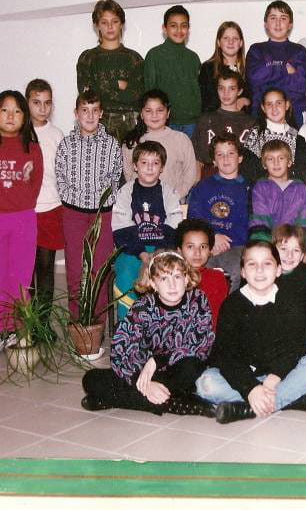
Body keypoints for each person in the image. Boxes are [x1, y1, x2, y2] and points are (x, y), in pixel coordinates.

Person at [196, 241, 306, 424]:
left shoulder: (291, 301)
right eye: (252, 264)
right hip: (245, 375)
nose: (259, 270)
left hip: (280, 375)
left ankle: (246, 409)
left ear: (278, 269)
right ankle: (288, 400)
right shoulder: (232, 305)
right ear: (243, 271)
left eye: (267, 263)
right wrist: (250, 388)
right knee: (205, 384)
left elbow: (294, 347)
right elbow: (227, 355)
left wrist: (274, 377)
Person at [81, 250, 216, 416]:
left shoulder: (198, 300)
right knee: (91, 378)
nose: (172, 285)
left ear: (186, 278)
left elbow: (201, 344)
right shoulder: (143, 306)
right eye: (164, 279)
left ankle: (111, 399)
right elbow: (120, 350)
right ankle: (175, 402)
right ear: (153, 283)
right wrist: (144, 383)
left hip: (179, 369)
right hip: (144, 371)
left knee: (193, 367)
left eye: (177, 277)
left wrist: (157, 360)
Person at [0, 90, 43, 358]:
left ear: (24, 117)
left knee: (19, 278)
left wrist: (18, 206)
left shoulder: (32, 148)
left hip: (22, 220)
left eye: (17, 111)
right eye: (4, 110)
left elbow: (34, 185)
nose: (10, 116)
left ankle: (18, 330)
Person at [55, 90, 122, 323]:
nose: (90, 116)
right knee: (75, 269)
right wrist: (76, 198)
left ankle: (97, 324)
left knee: (100, 269)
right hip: (73, 213)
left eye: (95, 111)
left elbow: (115, 178)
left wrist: (99, 200)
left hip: (103, 214)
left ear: (101, 113)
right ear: (76, 113)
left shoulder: (112, 145)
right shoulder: (66, 144)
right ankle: (78, 321)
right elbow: (60, 178)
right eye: (85, 110)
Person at [112, 141, 182, 319]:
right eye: (144, 162)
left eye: (155, 163)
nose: (150, 168)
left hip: (162, 249)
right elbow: (121, 229)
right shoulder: (125, 192)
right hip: (132, 249)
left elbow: (174, 227)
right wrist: (142, 254)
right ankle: (127, 324)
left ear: (162, 167)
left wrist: (158, 253)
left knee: (167, 275)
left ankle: (160, 324)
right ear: (135, 166)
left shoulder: (169, 193)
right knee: (126, 273)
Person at [187, 131, 251, 292]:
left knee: (237, 272)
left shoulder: (248, 188)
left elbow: (247, 223)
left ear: (240, 158)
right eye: (220, 155)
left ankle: (228, 307)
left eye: (231, 153)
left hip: (235, 246)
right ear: (214, 161)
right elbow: (194, 218)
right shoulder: (203, 186)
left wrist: (224, 243)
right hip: (205, 244)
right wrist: (212, 237)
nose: (225, 158)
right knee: (197, 274)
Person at [76, 0, 143, 142]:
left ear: (122, 24)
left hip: (130, 123)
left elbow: (138, 96)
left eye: (115, 21)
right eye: (104, 22)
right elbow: (87, 94)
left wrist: (102, 89)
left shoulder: (134, 58)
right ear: (97, 25)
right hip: (98, 122)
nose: (110, 27)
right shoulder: (88, 58)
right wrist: (117, 84)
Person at [25, 79, 65, 318]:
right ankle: (28, 323)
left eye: (47, 103)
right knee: (26, 269)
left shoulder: (56, 134)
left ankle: (43, 322)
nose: (42, 108)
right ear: (27, 103)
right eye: (36, 102)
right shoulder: (20, 133)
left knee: (46, 267)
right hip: (25, 210)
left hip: (52, 207)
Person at [121, 89, 198, 201]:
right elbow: (129, 175)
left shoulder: (181, 139)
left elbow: (190, 175)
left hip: (174, 203)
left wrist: (174, 197)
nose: (154, 115)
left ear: (168, 113)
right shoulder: (131, 142)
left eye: (160, 110)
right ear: (141, 114)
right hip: (142, 204)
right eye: (149, 111)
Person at [246, 0, 306, 126]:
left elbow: (300, 86)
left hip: (294, 113)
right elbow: (254, 79)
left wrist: (268, 69)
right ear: (266, 24)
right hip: (261, 113)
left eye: (283, 18)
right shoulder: (256, 50)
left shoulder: (300, 51)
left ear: (290, 25)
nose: (278, 23)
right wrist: (285, 69)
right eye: (273, 18)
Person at [144, 5, 202, 138]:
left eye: (184, 26)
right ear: (164, 28)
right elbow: (149, 91)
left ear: (188, 28)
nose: (179, 30)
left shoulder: (193, 57)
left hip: (192, 123)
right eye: (173, 26)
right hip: (165, 122)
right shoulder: (154, 55)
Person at [241, 88, 306, 186]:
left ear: (287, 105)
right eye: (269, 104)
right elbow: (248, 171)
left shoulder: (297, 137)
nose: (274, 108)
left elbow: (302, 172)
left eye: (278, 103)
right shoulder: (256, 134)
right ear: (263, 108)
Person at [248, 140, 306, 244]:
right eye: (270, 159)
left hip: (294, 245)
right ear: (264, 164)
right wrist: (267, 248)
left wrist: (301, 247)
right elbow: (259, 221)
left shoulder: (301, 189)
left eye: (281, 158)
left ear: (289, 162)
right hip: (268, 245)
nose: (276, 163)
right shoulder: (260, 188)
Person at [193, 69, 255, 177]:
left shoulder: (250, 123)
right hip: (210, 177)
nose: (226, 93)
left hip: (240, 178)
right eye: (221, 88)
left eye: (232, 88)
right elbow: (197, 159)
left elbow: (253, 164)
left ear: (239, 91)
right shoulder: (205, 120)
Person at [176, 219, 229, 332]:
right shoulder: (173, 278)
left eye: (203, 247)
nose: (197, 253)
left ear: (210, 250)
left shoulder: (217, 277)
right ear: (179, 250)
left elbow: (217, 317)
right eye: (190, 246)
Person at [198, 21, 252, 114]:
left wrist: (245, 100)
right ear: (219, 42)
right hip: (215, 119)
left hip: (242, 120)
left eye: (235, 38)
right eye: (226, 38)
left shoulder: (248, 67)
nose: (231, 42)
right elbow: (206, 103)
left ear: (241, 43)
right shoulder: (207, 68)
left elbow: (253, 96)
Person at [272, 224, 306, 319]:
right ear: (272, 251)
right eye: (283, 248)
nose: (289, 255)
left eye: (296, 250)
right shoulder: (266, 274)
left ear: (302, 255)